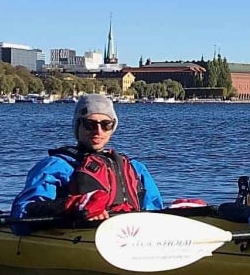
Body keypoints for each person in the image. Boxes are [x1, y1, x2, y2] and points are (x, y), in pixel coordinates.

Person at [12, 94, 165, 222]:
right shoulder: (55, 166)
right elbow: (23, 212)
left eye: (106, 125)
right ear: (77, 126)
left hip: (128, 235)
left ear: (113, 127)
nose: (98, 131)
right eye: (89, 124)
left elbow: (155, 210)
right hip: (74, 234)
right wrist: (73, 206)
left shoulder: (136, 168)